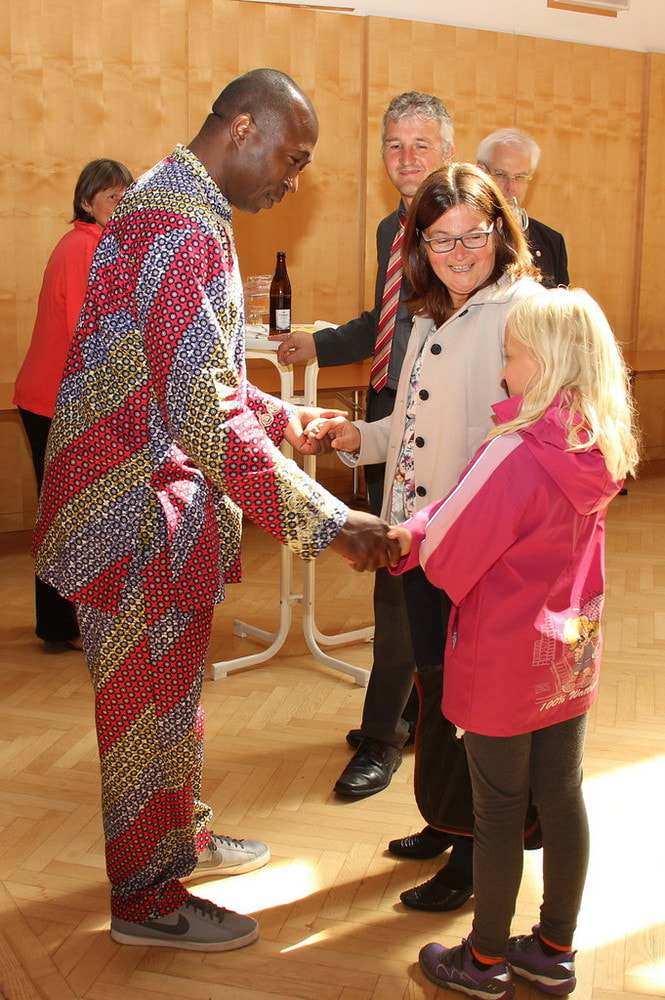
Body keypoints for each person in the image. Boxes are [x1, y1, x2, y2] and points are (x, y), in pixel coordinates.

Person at [31, 68, 399, 953]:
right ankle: (147, 898)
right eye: (292, 157)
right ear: (242, 128)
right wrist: (328, 520)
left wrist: (287, 420)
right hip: (127, 514)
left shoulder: (181, 203)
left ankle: (180, 840)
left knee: (174, 699)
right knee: (143, 713)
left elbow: (198, 376)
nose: (293, 180)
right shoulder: (178, 224)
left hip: (160, 505)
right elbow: (200, 407)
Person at [387, 287, 639, 998]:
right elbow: (467, 510)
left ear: (547, 363)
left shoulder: (514, 452)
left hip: (502, 658)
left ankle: (484, 961)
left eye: (510, 355)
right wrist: (429, 528)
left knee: (496, 810)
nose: (502, 371)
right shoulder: (598, 443)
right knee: (561, 792)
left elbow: (447, 555)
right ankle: (553, 949)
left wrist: (409, 540)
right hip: (569, 649)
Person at [307, 163, 542, 911]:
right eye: (441, 239)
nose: (458, 253)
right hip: (418, 542)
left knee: (472, 708)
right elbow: (411, 425)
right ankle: (444, 820)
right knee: (435, 693)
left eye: (474, 235)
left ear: (501, 232)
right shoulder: (429, 313)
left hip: (477, 549)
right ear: (419, 246)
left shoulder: (521, 312)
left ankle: (476, 853)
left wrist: (451, 528)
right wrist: (357, 437)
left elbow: (521, 444)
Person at [277, 91, 455, 800]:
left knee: (405, 581)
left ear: (447, 150)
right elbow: (386, 323)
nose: (405, 158)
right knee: (401, 573)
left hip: (449, 426)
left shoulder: (461, 227)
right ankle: (405, 715)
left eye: (420, 144)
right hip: (391, 416)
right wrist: (320, 344)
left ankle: (384, 736)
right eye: (393, 145)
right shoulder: (392, 227)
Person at [13, 158, 133, 648]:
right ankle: (62, 626)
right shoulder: (84, 247)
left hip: (60, 398)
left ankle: (61, 625)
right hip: (54, 401)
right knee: (66, 517)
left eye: (126, 195)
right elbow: (88, 335)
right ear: (86, 202)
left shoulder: (97, 243)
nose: (121, 204)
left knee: (64, 515)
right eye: (111, 197)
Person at [477, 127, 569, 287]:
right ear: (481, 171)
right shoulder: (461, 234)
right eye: (501, 175)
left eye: (520, 177)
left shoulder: (551, 242)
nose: (511, 187)